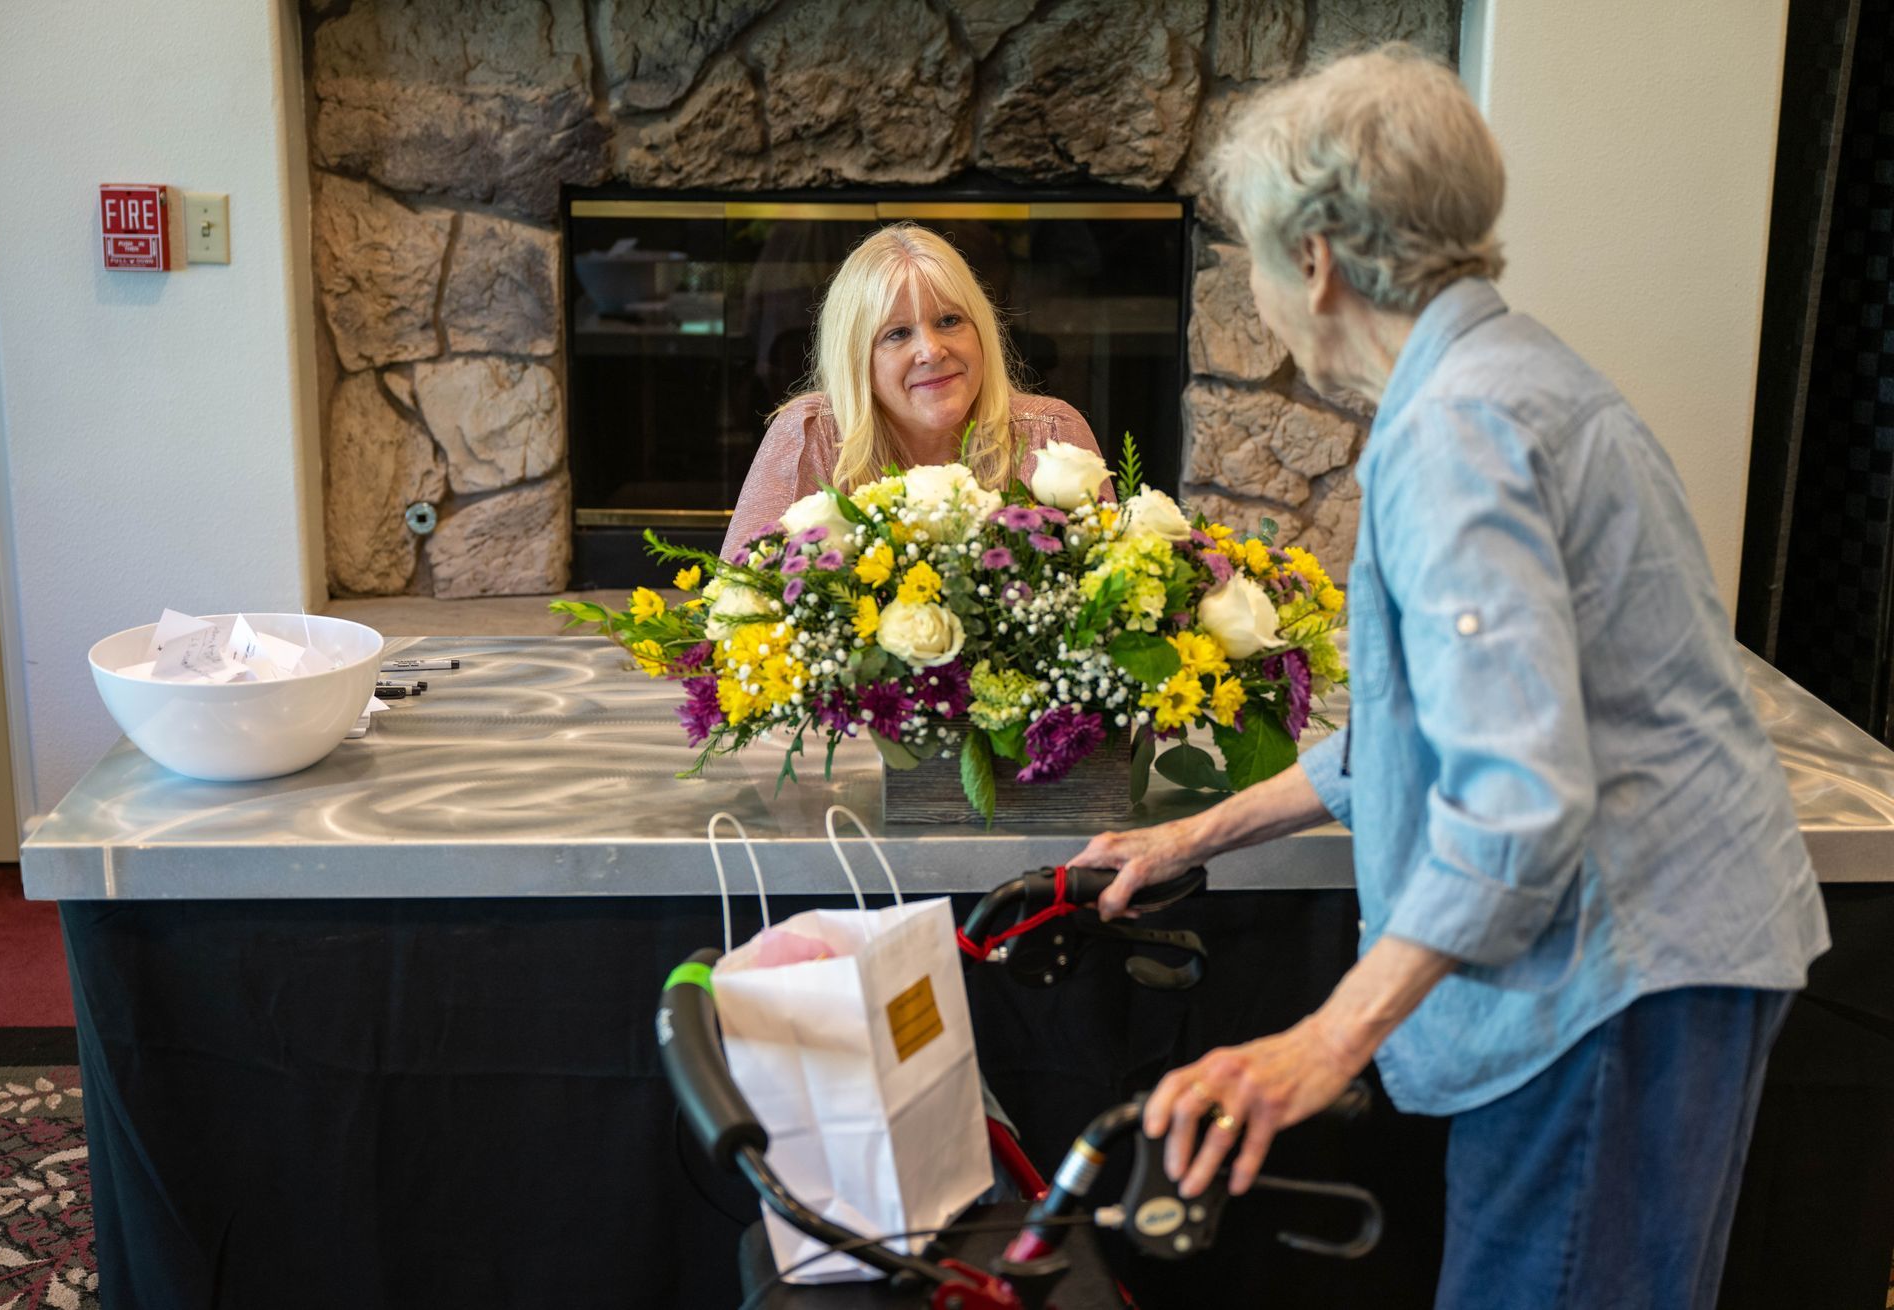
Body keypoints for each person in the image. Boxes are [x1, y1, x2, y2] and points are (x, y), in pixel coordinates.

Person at [1068, 45, 1829, 1310]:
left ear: (1313, 260)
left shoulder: (1458, 430)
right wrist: (1201, 827)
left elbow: (1517, 797)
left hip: (1615, 972)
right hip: (1663, 957)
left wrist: (1324, 1040)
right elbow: (1426, 734)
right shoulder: (1512, 378)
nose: (1256, 291)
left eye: (1252, 254)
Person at [721, 223, 1108, 559]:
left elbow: (1114, 597)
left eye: (950, 320)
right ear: (857, 358)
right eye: (898, 333)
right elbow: (738, 606)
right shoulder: (809, 435)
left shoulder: (1051, 434)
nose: (932, 351)